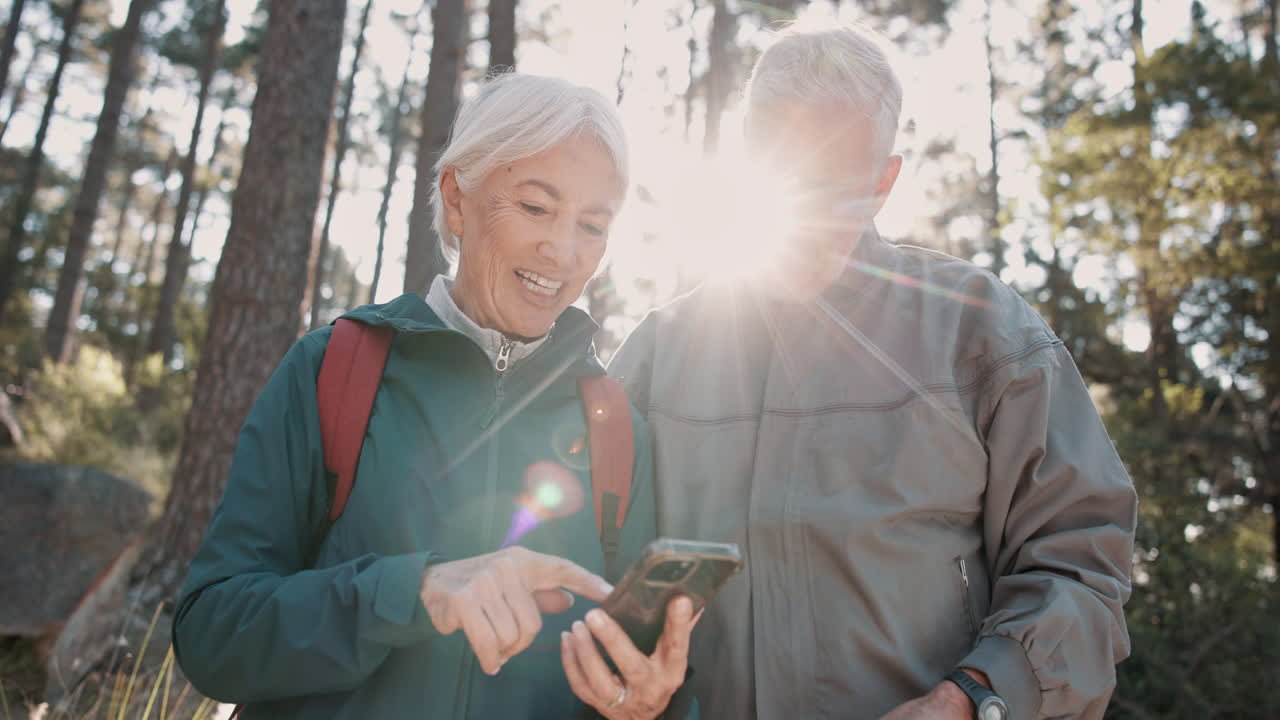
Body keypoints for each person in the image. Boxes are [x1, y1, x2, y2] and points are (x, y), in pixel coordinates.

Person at [608, 23, 1138, 720]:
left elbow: (1080, 562)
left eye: (832, 187)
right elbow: (591, 576)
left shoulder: (980, 328)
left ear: (884, 181)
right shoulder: (657, 352)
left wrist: (973, 698)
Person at [173, 72, 694, 720]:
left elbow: (635, 677)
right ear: (456, 200)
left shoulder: (616, 427)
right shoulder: (333, 369)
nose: (562, 251)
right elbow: (211, 633)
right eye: (535, 207)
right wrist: (413, 593)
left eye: (592, 225)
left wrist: (656, 704)